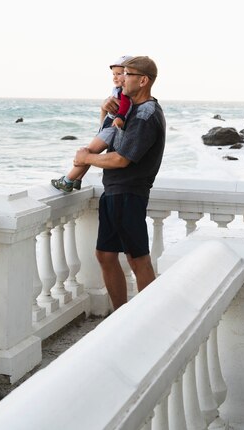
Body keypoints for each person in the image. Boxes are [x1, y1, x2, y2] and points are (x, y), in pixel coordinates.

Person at [72, 56, 166, 311]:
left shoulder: (146, 114)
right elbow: (109, 137)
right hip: (114, 192)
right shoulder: (131, 109)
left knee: (138, 261)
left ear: (143, 80)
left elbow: (122, 159)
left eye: (127, 74)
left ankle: (149, 317)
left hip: (129, 194)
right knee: (104, 255)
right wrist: (105, 111)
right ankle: (120, 315)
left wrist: (86, 158)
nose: (120, 79)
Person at [51, 55, 133, 193]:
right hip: (109, 126)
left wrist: (119, 117)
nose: (115, 77)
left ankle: (67, 181)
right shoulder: (119, 90)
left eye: (119, 74)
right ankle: (77, 180)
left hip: (111, 128)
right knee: (89, 154)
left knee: (87, 154)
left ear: (129, 75)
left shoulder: (125, 91)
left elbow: (124, 106)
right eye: (114, 74)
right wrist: (104, 110)